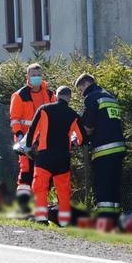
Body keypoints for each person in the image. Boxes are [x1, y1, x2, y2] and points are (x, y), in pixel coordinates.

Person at [25, 86, 84, 226]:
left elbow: (32, 131)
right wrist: (75, 143)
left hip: (45, 156)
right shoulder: (73, 115)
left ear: (56, 96)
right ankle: (64, 221)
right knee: (63, 191)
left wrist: (28, 146)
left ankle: (41, 219)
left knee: (40, 187)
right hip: (63, 158)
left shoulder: (44, 109)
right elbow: (81, 137)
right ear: (69, 98)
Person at [74, 73, 125, 231]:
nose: (81, 92)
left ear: (85, 84)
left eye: (80, 89)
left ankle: (104, 223)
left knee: (103, 186)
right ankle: (115, 221)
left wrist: (79, 138)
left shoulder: (91, 97)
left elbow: (88, 126)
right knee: (114, 184)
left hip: (104, 149)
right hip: (119, 147)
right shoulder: (110, 97)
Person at [9, 63, 55, 215]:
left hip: (44, 141)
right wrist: (20, 137)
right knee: (26, 172)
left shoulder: (49, 94)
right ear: (27, 77)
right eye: (33, 75)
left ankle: (40, 206)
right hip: (25, 141)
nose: (36, 77)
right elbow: (15, 119)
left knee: (43, 173)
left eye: (38, 74)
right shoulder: (20, 95)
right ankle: (23, 207)